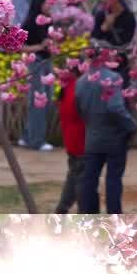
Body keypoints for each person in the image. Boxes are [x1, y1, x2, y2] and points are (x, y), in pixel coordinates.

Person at [76, 61, 137, 213]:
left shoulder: (81, 81)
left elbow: (79, 109)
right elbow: (115, 107)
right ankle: (114, 217)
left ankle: (88, 216)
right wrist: (131, 125)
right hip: (114, 138)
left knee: (89, 180)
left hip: (92, 137)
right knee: (113, 181)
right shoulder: (112, 77)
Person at [17, 0, 56, 151]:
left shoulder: (48, 21)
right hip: (36, 62)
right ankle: (36, 140)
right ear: (39, 4)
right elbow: (20, 47)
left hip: (47, 61)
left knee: (45, 100)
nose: (50, 5)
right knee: (38, 101)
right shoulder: (31, 22)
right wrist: (40, 47)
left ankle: (28, 137)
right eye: (48, 3)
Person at [91, 0, 137, 84]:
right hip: (102, 64)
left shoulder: (128, 17)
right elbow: (94, 37)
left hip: (121, 64)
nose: (104, 1)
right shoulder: (100, 15)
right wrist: (104, 27)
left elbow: (127, 42)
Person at [54, 69, 85, 214]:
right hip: (81, 140)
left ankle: (63, 207)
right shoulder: (78, 89)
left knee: (74, 175)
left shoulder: (67, 87)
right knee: (80, 179)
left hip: (71, 140)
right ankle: (75, 208)